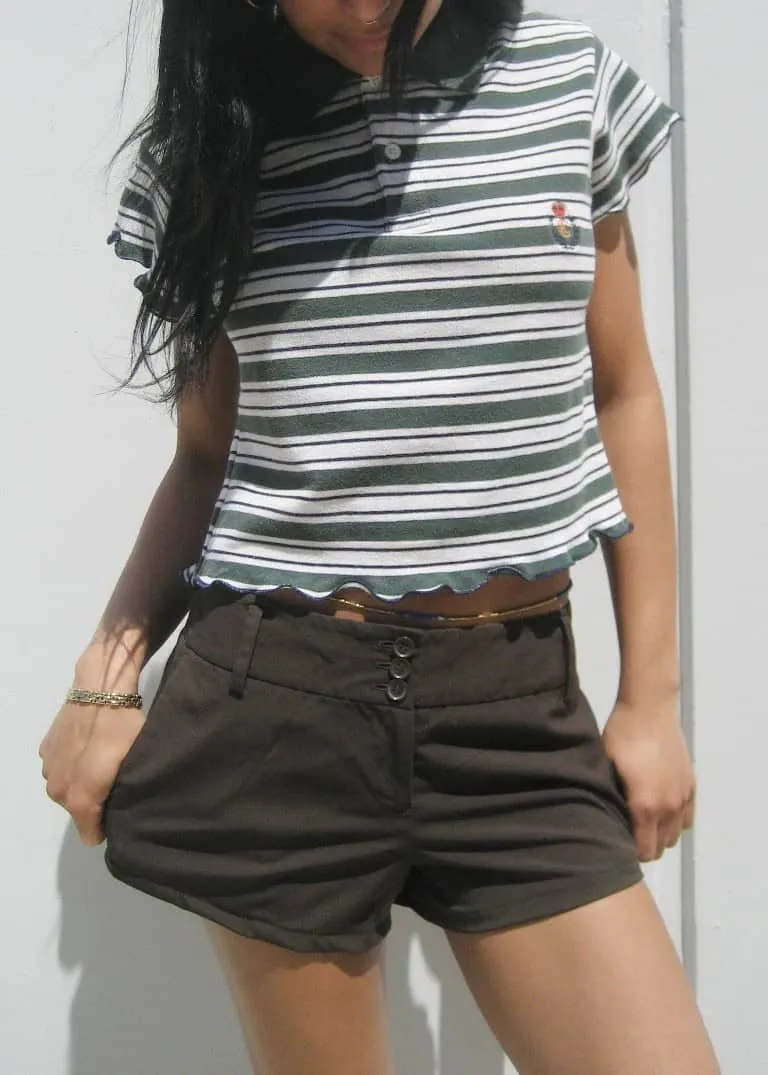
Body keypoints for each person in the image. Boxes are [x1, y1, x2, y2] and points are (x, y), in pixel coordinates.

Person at [39, 0, 721, 1071]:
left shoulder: (565, 84)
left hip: (516, 713)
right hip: (281, 709)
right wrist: (106, 674)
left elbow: (622, 390)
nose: (365, 10)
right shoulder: (214, 142)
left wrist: (651, 697)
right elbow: (207, 458)